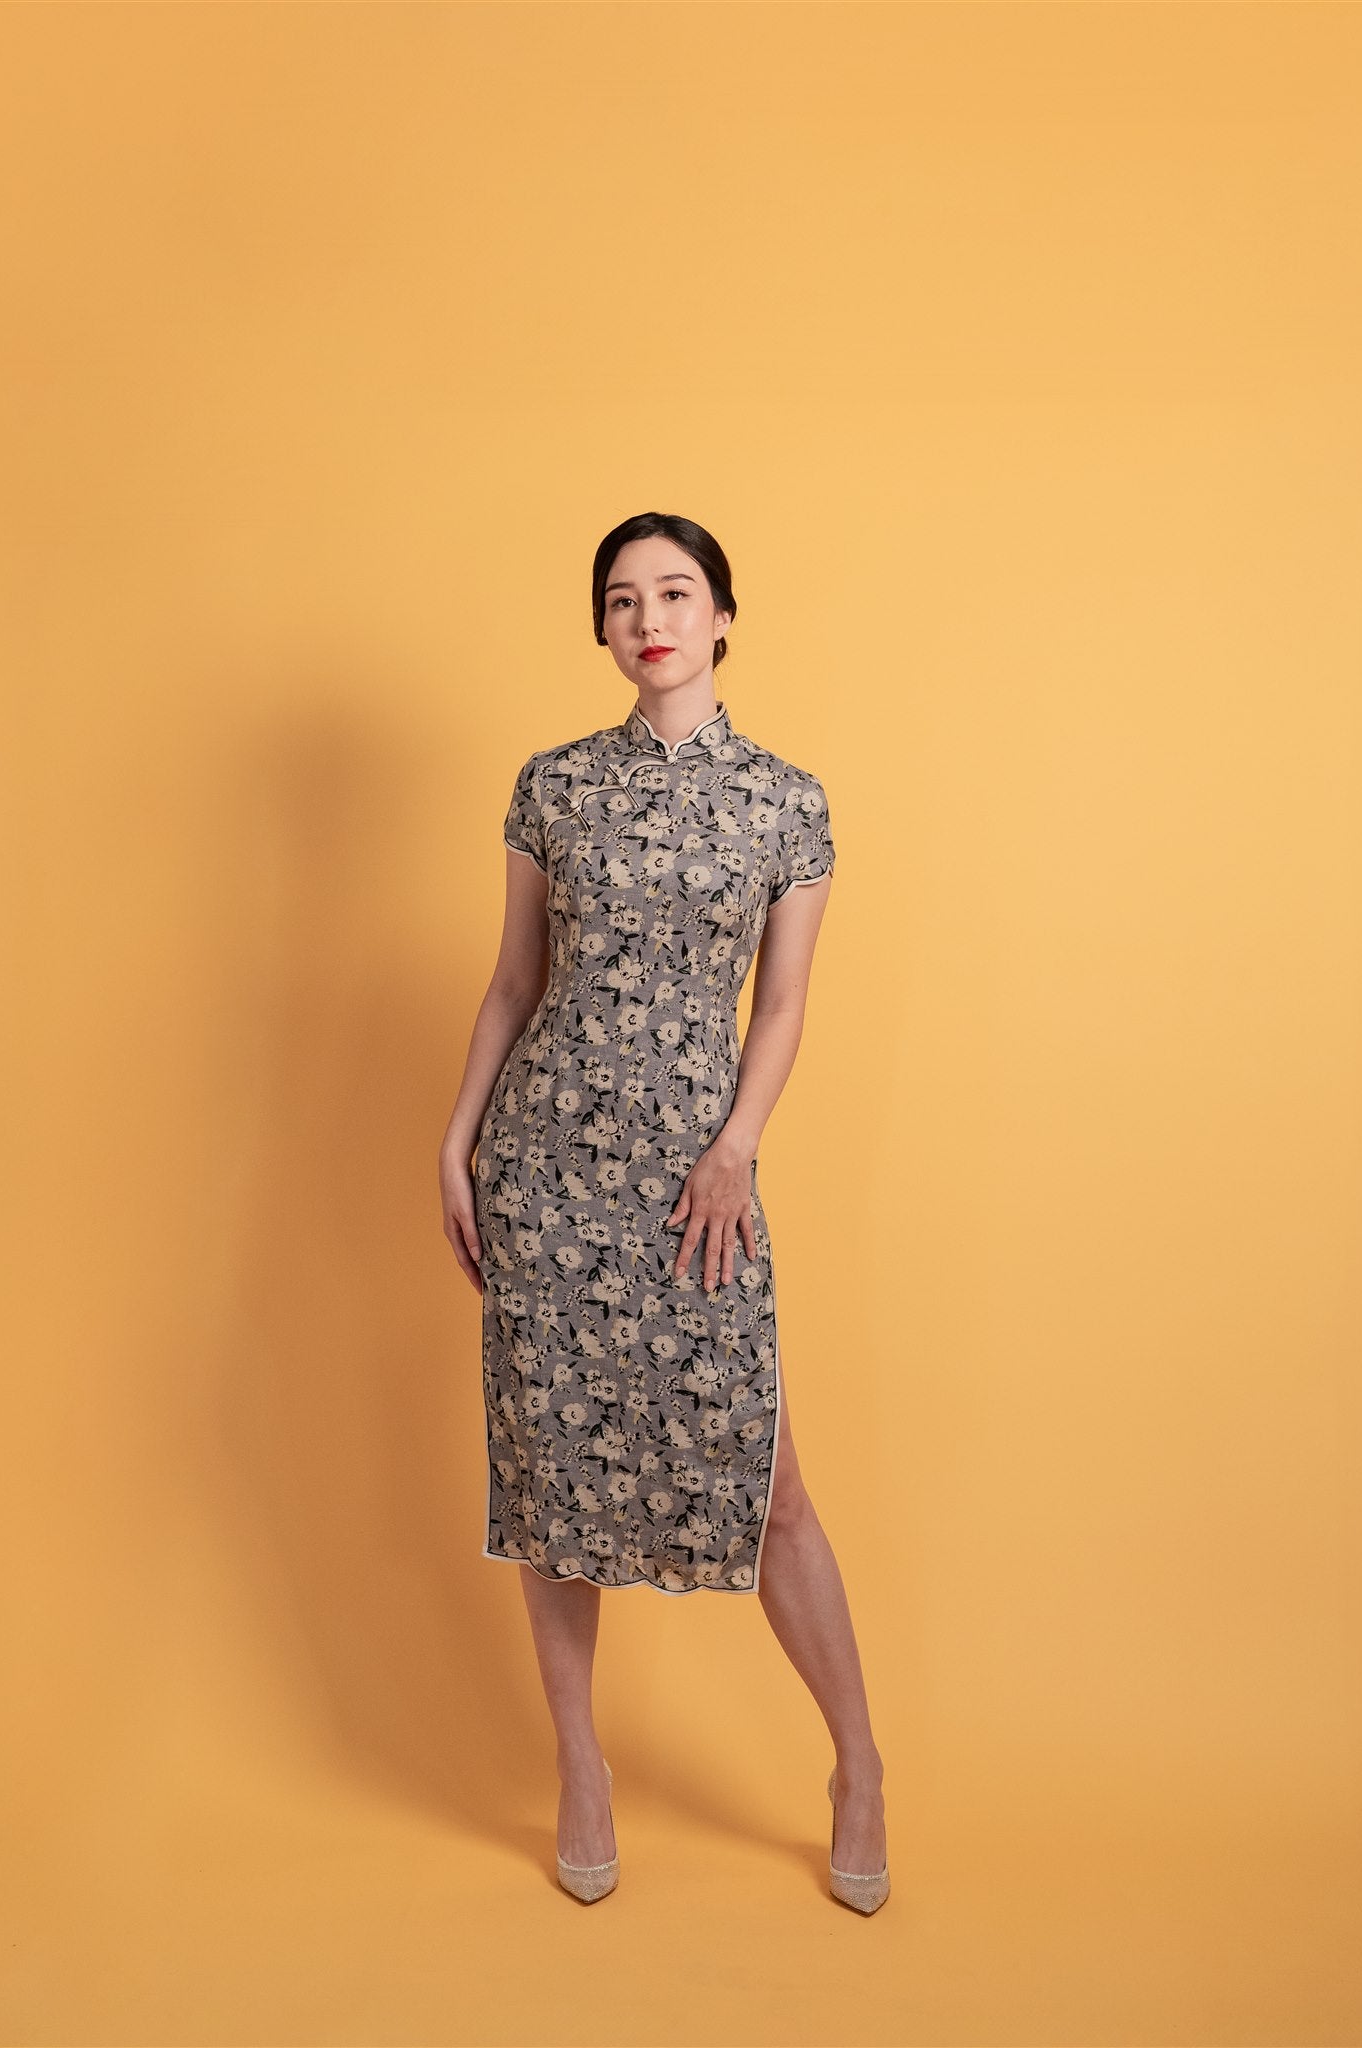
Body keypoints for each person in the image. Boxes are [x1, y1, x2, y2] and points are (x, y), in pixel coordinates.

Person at [439, 511, 889, 1912]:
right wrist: (455, 1146)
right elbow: (515, 984)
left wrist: (737, 1147)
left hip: (702, 1178)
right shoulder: (552, 787)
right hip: (547, 1161)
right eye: (624, 599)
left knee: (769, 1488)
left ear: (723, 617)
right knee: (551, 1483)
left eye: (677, 592)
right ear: (604, 629)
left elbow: (785, 1003)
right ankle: (582, 1768)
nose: (652, 617)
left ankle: (860, 1765)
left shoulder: (787, 802)